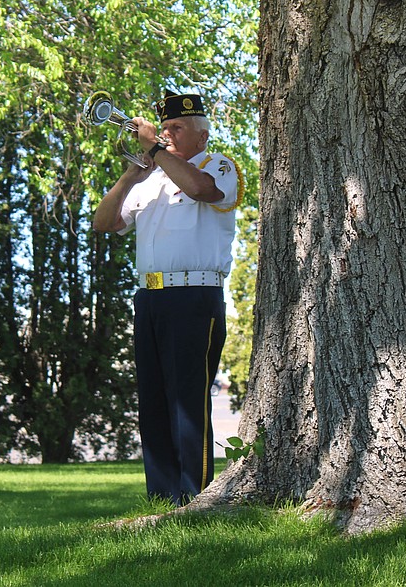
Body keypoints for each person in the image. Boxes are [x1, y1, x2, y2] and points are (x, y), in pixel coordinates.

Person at [92, 92, 240, 506]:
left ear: (202, 134)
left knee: (188, 402)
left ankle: (196, 497)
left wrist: (155, 148)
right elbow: (103, 223)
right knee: (154, 400)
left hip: (196, 296)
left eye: (177, 129)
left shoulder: (217, 165)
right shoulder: (153, 178)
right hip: (150, 298)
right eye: (165, 128)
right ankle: (161, 500)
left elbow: (201, 190)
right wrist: (129, 177)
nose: (168, 134)